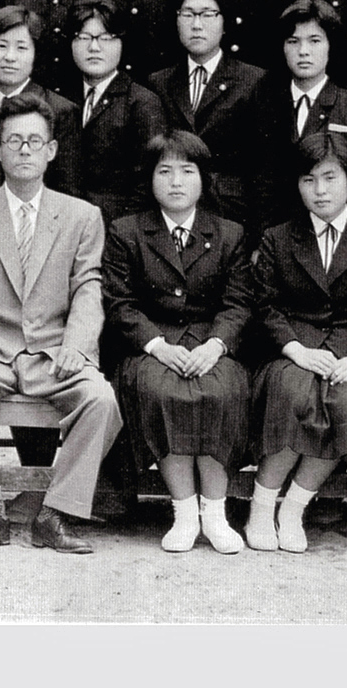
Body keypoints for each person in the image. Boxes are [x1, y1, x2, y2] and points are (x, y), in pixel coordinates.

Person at [0, 93, 122, 554]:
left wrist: (78, 344)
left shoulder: (82, 216)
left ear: (51, 151)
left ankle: (56, 514)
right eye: (14, 141)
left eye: (35, 141)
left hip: (56, 351)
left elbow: (88, 289)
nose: (24, 150)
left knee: (101, 400)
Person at [246, 132, 347, 554]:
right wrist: (295, 349)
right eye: (308, 180)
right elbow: (266, 305)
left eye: (330, 178)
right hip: (295, 346)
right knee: (292, 393)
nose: (320, 190)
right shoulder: (278, 237)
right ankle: (262, 504)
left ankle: (294, 506)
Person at [104, 130, 253, 554]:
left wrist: (216, 345)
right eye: (164, 171)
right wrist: (157, 345)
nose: (175, 182)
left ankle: (215, 513)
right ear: (150, 178)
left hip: (210, 343)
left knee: (221, 390)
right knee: (161, 390)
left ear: (203, 178)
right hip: (152, 346)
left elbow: (239, 303)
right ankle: (184, 512)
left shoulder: (229, 233)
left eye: (187, 171)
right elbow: (119, 302)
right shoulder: (127, 231)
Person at [147, 0, 265, 228]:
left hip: (233, 214)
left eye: (207, 15)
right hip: (172, 212)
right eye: (188, 14)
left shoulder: (254, 81)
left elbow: (264, 168)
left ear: (224, 22)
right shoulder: (159, 82)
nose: (197, 25)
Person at [249, 0, 347, 228]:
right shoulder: (263, 104)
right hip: (275, 235)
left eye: (315, 41)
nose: (303, 51)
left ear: (330, 45)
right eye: (293, 41)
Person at [64, 0, 168, 223]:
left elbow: (148, 183)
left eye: (105, 38)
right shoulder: (63, 97)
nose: (94, 47)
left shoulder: (141, 102)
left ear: (122, 42)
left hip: (118, 226)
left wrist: (121, 230)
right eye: (84, 37)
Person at [0, 5, 82, 197]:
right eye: (1, 46)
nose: (10, 57)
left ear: (36, 53)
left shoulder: (60, 110)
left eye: (21, 48)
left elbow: (66, 188)